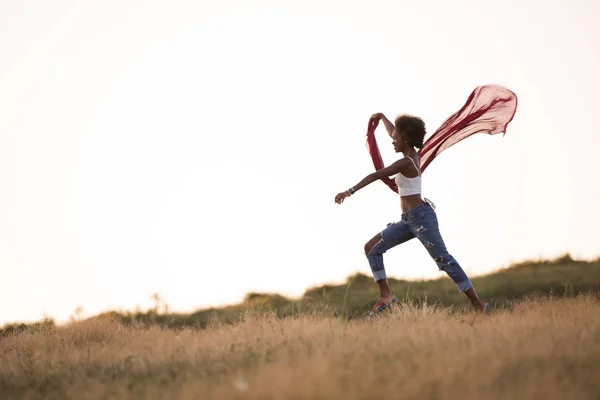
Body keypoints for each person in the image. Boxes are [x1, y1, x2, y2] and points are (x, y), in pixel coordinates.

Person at [334, 113, 489, 317]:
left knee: (444, 260)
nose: (392, 141)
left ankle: (478, 304)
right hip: (408, 221)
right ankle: (386, 296)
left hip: (422, 219)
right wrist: (382, 118)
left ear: (405, 139)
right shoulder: (410, 153)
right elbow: (394, 131)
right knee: (371, 249)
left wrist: (349, 191)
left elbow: (375, 175)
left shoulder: (406, 162)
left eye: (395, 139)